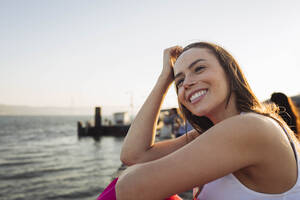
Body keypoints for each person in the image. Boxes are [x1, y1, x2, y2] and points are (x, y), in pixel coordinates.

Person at [115, 42, 300, 200]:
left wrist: (134, 174)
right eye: (179, 81)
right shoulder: (208, 135)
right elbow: (133, 156)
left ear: (230, 72)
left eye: (199, 69)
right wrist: (164, 79)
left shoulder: (250, 127)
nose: (186, 83)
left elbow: (128, 189)